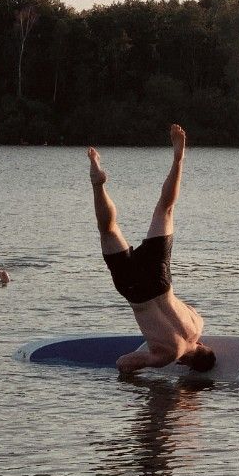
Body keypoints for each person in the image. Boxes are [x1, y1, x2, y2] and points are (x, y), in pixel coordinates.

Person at [88, 123, 215, 375]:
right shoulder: (168, 356)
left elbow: (179, 307)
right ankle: (97, 185)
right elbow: (123, 363)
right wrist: (147, 355)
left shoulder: (197, 324)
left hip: (161, 283)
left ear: (202, 345)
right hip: (136, 293)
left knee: (165, 209)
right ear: (186, 363)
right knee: (108, 230)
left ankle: (178, 159)